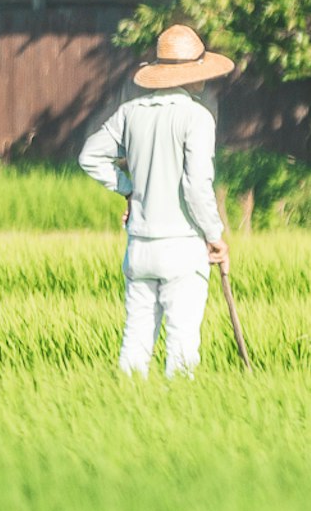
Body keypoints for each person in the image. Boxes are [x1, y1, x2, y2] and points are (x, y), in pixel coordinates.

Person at [78, 23, 232, 377]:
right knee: (182, 348)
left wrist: (128, 188)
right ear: (191, 73)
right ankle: (176, 425)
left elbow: (89, 156)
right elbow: (196, 187)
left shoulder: (131, 113)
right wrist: (215, 236)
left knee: (134, 344)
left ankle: (125, 417)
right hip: (182, 248)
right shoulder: (197, 117)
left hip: (140, 248)